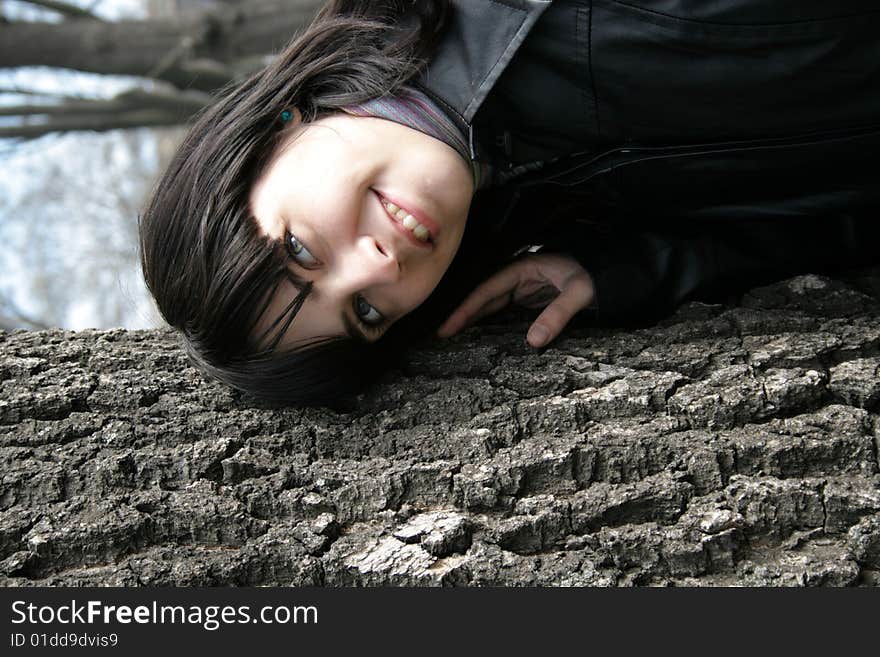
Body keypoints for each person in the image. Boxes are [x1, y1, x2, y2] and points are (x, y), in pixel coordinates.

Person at [139, 0, 880, 406]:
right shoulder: (558, 207)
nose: (376, 267)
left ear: (270, 132)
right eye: (367, 313)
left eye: (301, 250)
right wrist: (639, 268)